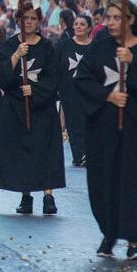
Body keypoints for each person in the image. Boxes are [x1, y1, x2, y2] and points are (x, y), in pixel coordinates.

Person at [75, 0, 137, 258]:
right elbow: (82, 80)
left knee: (131, 181)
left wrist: (132, 62)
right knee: (104, 181)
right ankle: (109, 233)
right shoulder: (99, 48)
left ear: (131, 20)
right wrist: (107, 96)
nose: (110, 23)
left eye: (116, 18)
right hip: (104, 129)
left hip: (133, 129)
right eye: (108, 18)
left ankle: (134, 237)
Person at [0, 2, 64, 215]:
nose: (29, 22)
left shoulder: (47, 47)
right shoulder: (8, 46)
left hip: (41, 107)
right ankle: (26, 195)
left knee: (45, 150)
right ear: (18, 21)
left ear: (39, 21)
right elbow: (1, 75)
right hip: (15, 107)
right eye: (25, 19)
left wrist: (35, 90)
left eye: (33, 18)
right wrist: (15, 55)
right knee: (22, 152)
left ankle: (48, 196)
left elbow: (53, 76)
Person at [56, 13, 92, 167]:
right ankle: (79, 155)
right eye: (76, 24)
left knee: (88, 122)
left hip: (89, 92)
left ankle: (88, 152)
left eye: (82, 24)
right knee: (73, 123)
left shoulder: (95, 47)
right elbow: (55, 67)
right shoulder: (63, 46)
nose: (78, 27)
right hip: (68, 90)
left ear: (89, 28)